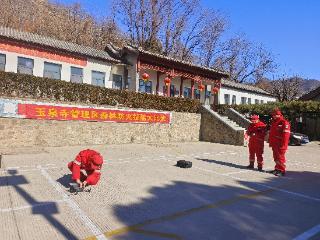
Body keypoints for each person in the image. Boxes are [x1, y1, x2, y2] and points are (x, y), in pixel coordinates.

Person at [268, 109, 291, 176]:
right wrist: (270, 142)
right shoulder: (274, 122)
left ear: (280, 115)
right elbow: (272, 134)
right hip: (274, 144)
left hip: (280, 144)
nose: (275, 116)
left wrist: (284, 145)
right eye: (274, 115)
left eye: (276, 115)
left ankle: (282, 170)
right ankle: (277, 169)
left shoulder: (284, 122)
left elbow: (286, 135)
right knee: (275, 157)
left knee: (280, 158)